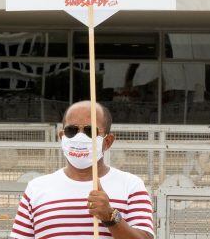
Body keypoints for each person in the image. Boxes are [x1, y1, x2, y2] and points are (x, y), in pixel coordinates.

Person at [10, 101, 154, 239]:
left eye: (90, 131)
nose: (80, 137)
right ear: (62, 137)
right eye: (71, 130)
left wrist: (110, 216)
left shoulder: (131, 185)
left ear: (108, 141)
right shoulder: (36, 188)